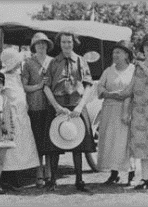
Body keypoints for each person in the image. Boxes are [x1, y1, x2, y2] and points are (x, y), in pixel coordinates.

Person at [106, 37, 148, 191]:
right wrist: (109, 94)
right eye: (146, 49)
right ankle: (145, 178)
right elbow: (130, 88)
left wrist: (142, 65)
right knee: (143, 145)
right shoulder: (138, 68)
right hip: (140, 111)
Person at [42, 31, 97, 192]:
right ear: (60, 44)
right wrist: (56, 107)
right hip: (58, 106)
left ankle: (79, 180)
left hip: (76, 106)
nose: (67, 45)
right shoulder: (53, 63)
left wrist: (80, 106)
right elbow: (46, 87)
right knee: (54, 145)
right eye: (64, 42)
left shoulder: (81, 61)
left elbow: (88, 85)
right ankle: (52, 180)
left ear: (74, 43)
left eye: (69, 42)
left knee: (78, 144)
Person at [0, 47, 40, 191]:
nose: (18, 65)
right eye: (16, 63)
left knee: (20, 147)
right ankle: (6, 178)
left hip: (21, 115)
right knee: (9, 148)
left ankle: (16, 175)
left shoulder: (16, 76)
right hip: (10, 116)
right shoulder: (2, 77)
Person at [95, 40, 137, 186]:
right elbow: (100, 87)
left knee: (126, 142)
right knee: (111, 141)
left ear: (126, 54)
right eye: (113, 52)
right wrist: (109, 94)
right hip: (109, 109)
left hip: (126, 110)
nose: (115, 55)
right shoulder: (108, 71)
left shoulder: (133, 70)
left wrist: (126, 96)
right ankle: (114, 174)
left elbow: (136, 89)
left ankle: (132, 173)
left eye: (118, 52)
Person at [21, 32, 55, 188]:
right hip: (35, 106)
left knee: (50, 139)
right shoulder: (28, 63)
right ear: (34, 46)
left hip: (51, 106)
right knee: (37, 140)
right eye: (39, 43)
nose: (42, 46)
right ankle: (39, 173)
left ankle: (49, 173)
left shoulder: (53, 62)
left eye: (44, 43)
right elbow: (24, 86)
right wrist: (39, 86)